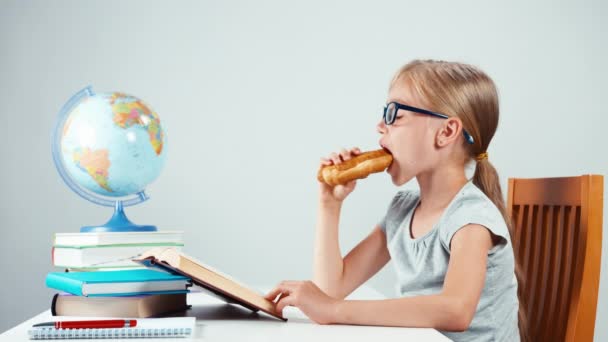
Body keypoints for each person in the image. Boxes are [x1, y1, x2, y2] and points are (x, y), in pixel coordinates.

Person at [265, 59, 526, 341]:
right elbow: (330, 289)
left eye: (395, 114)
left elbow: (455, 310)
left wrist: (334, 309)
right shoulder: (402, 210)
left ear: (446, 132)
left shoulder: (471, 216)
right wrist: (329, 204)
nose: (380, 126)